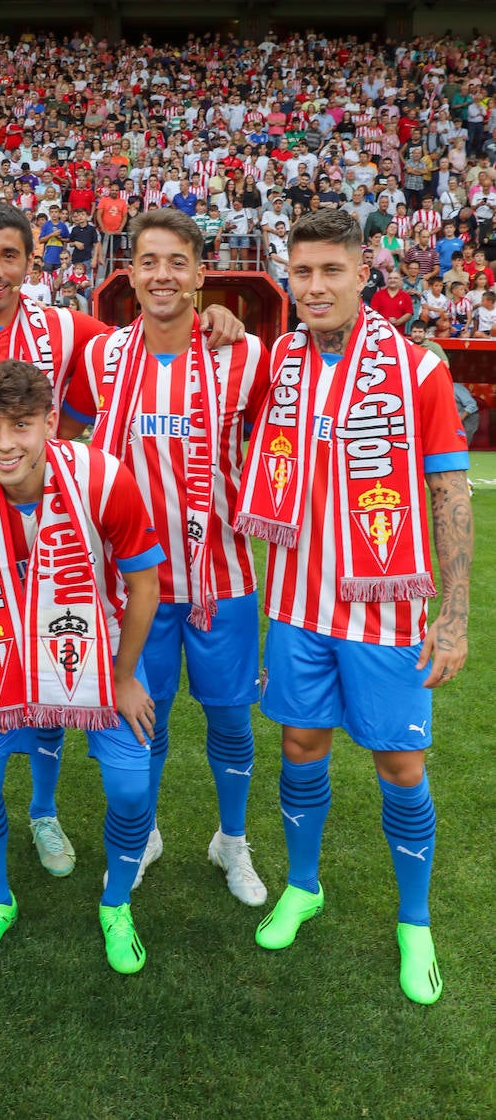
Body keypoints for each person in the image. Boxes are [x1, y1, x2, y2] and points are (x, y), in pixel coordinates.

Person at [0, 202, 242, 879]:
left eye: (11, 256)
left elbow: (149, 335)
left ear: (34, 262)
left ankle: (44, 809)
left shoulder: (67, 329)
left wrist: (212, 317)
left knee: (57, 670)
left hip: (52, 551)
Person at [235, 208, 472, 1005]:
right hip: (299, 607)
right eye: (301, 272)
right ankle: (304, 886)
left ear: (363, 271)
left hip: (386, 614)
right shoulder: (276, 361)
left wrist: (456, 615)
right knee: (300, 747)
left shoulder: (418, 367)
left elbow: (448, 490)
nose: (315, 287)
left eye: (331, 270)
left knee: (399, 765)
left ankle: (414, 921)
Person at [60, 210, 270, 905]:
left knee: (231, 720)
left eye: (177, 262)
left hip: (223, 578)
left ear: (200, 274)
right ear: (130, 273)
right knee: (142, 720)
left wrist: (232, 323)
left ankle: (230, 841)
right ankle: (141, 832)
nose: (162, 275)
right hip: (133, 587)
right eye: (148, 261)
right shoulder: (101, 356)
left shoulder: (245, 357)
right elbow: (71, 447)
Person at [0, 359, 163, 973]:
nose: (4, 445)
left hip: (96, 652)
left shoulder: (102, 476)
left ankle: (115, 905)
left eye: (22, 425)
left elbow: (145, 585)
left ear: (51, 422)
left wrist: (123, 672)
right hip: (1, 660)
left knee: (133, 785)